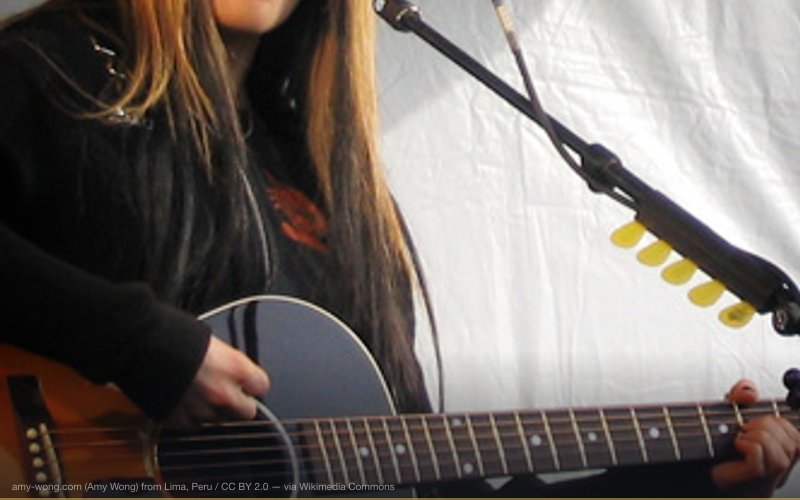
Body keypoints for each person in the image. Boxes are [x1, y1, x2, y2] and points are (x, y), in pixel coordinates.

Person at [0, 0, 797, 496]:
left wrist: (685, 479)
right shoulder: (51, 72)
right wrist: (140, 345)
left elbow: (427, 484)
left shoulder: (330, 191)